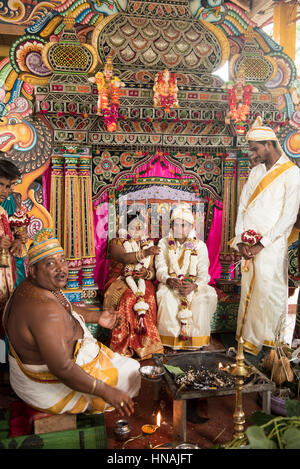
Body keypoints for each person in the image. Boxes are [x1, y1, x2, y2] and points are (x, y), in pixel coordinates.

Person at [3, 228, 141, 416]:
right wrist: (107, 391)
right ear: (33, 270)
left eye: (63, 260)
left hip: (41, 370)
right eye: (51, 263)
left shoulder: (33, 286)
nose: (61, 268)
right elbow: (63, 368)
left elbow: (65, 305)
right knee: (133, 373)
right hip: (48, 387)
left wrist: (96, 317)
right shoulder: (44, 312)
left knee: (129, 367)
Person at [230, 117, 300, 355]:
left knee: (268, 292)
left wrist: (262, 243)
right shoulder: (256, 171)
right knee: (249, 289)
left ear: (269, 144)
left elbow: (288, 217)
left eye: (255, 149)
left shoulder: (292, 174)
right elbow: (242, 207)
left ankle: (268, 348)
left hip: (271, 247)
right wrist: (241, 239)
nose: (253, 154)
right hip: (248, 245)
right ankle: (245, 344)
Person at [155, 204, 218, 350]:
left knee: (207, 295)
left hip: (193, 284)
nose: (179, 229)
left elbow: (204, 273)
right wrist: (168, 280)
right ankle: (171, 341)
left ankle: (195, 341)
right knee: (165, 295)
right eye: (175, 224)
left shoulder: (200, 245)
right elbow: (160, 268)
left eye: (183, 225)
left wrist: (194, 285)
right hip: (171, 283)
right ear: (171, 225)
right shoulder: (164, 243)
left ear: (191, 227)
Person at [103, 211, 164, 359]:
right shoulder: (117, 242)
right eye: (133, 228)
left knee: (148, 296)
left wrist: (147, 274)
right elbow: (123, 258)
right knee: (129, 298)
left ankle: (147, 343)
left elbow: (152, 271)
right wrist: (145, 253)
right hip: (119, 280)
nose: (137, 231)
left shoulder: (148, 244)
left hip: (142, 281)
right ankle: (124, 345)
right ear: (125, 229)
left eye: (140, 227)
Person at [0, 159, 24, 363]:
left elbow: (19, 231)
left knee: (7, 316)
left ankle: (5, 364)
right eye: (1, 185)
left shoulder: (4, 208)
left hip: (6, 273)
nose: (6, 191)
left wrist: (17, 241)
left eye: (9, 186)